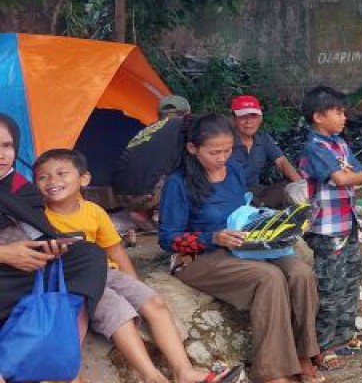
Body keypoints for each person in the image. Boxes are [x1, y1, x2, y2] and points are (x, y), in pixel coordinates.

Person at [34, 149, 236, 383]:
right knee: (120, 313)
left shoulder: (94, 212)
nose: (52, 181)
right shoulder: (38, 217)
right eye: (43, 177)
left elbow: (114, 249)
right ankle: (152, 376)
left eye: (61, 173)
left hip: (106, 272)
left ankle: (185, 372)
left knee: (155, 302)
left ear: (84, 178)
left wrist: (133, 283)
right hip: (75, 283)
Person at [159, 115, 321, 383]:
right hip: (200, 257)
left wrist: (270, 224)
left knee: (300, 272)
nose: (222, 157)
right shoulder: (179, 183)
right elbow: (167, 238)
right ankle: (273, 371)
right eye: (214, 152)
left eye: (227, 150)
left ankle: (304, 354)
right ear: (192, 148)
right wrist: (213, 238)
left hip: (246, 246)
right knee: (269, 278)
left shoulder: (233, 170)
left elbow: (243, 208)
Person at [0, 113, 108, 383]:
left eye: (7, 146)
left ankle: (61, 349)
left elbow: (38, 231)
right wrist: (5, 254)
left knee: (89, 255)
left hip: (19, 271)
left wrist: (47, 248)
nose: (2, 155)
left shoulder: (21, 188)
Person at [297, 86, 362, 361]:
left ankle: (345, 338)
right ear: (318, 116)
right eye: (338, 112)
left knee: (351, 280)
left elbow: (354, 172)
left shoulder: (340, 144)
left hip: (347, 225)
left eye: (344, 112)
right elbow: (342, 179)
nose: (344, 117)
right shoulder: (314, 148)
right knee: (330, 288)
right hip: (326, 230)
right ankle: (322, 348)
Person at [112, 95, 192, 222]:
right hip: (146, 197)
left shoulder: (149, 129)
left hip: (119, 196)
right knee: (195, 162)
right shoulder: (183, 124)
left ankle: (142, 213)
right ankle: (161, 214)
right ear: (187, 113)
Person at [229, 95, 302, 208]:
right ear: (234, 120)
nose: (249, 121)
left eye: (253, 116)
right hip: (230, 193)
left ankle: (256, 208)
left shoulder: (263, 138)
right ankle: (253, 210)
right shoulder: (225, 140)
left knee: (288, 187)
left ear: (260, 119)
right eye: (243, 117)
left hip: (256, 192)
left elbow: (282, 162)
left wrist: (300, 185)